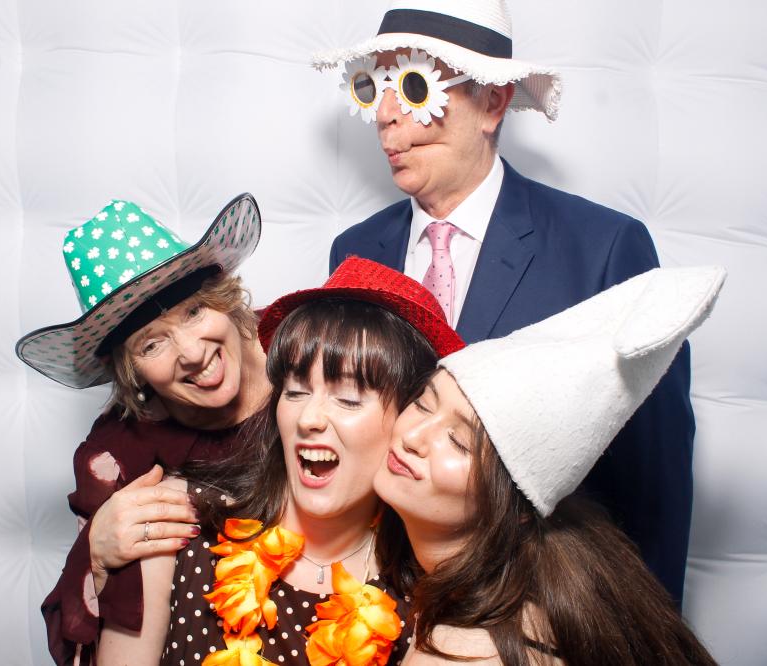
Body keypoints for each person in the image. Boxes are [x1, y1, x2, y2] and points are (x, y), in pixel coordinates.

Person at [314, 0, 695, 604]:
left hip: (540, 606)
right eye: (375, 86)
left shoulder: (603, 250)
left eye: (412, 86)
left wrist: (643, 635)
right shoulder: (354, 252)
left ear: (493, 102)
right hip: (372, 603)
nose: (385, 115)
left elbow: (655, 478)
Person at [96, 257, 465, 666]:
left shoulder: (430, 594)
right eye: (295, 391)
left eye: (347, 398)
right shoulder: (176, 520)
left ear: (407, 421)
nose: (309, 419)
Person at [373, 266, 726, 665]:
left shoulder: (462, 653)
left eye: (458, 441)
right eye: (423, 403)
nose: (413, 436)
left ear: (519, 508)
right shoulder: (538, 587)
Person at [15, 194, 272, 665]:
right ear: (129, 370)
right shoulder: (117, 454)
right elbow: (87, 633)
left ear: (222, 298)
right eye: (152, 344)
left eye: (194, 312)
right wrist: (95, 553)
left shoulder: (307, 351)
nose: (192, 353)